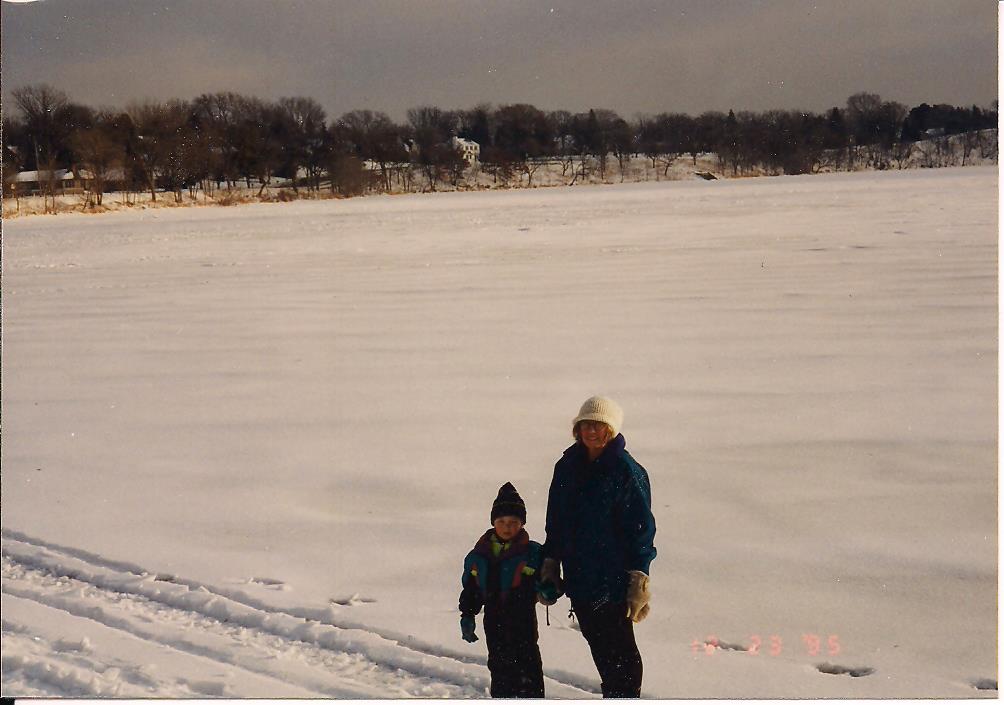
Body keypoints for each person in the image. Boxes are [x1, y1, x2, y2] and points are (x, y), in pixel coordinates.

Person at [540, 396, 657, 698]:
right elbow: (556, 520)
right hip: (579, 578)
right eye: (586, 425)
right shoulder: (567, 467)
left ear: (611, 430)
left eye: (598, 425)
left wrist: (639, 576)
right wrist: (550, 562)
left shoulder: (626, 471)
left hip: (613, 581)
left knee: (621, 655)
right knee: (601, 647)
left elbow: (641, 529)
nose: (591, 431)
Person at [458, 482, 559, 698]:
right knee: (500, 672)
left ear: (522, 523)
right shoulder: (479, 555)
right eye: (501, 522)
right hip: (494, 624)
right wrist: (467, 614)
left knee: (530, 674)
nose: (507, 527)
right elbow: (471, 590)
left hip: (523, 625)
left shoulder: (533, 553)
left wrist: (549, 591)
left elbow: (550, 584)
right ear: (493, 523)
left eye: (513, 522)